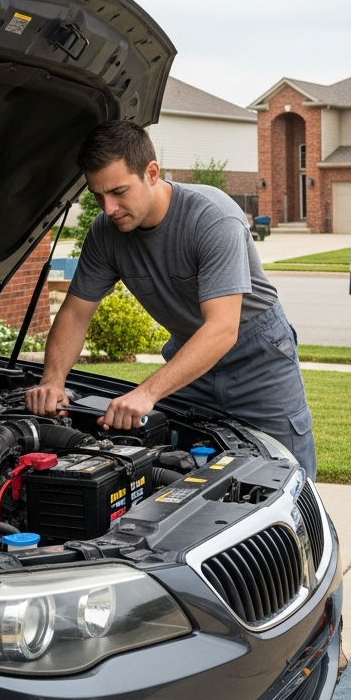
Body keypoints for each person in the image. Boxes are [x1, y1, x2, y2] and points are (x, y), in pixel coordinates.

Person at [25, 120, 315, 478]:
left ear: (151, 172)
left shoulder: (212, 218)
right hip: (190, 356)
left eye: (118, 191)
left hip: (258, 358)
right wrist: (52, 381)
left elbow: (223, 329)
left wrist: (146, 393)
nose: (108, 208)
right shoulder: (106, 234)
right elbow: (74, 313)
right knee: (186, 478)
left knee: (287, 477)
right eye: (97, 196)